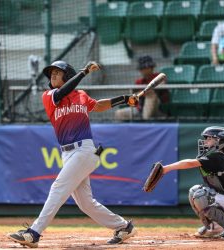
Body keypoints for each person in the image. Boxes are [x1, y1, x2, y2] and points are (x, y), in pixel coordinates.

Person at [8, 61, 137, 248]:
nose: (52, 75)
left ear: (67, 76)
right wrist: (84, 72)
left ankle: (34, 233)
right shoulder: (49, 96)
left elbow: (98, 106)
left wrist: (124, 99)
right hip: (67, 153)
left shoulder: (82, 95)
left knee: (58, 188)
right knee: (85, 203)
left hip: (84, 150)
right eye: (51, 73)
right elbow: (61, 93)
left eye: (57, 72)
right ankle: (124, 227)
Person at [161, 126, 224, 239]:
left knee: (201, 196)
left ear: (219, 141)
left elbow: (189, 163)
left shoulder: (219, 156)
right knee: (194, 191)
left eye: (209, 138)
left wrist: (166, 168)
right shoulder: (217, 156)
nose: (205, 141)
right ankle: (214, 227)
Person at [114, 56, 167, 121]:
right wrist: (142, 93)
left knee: (150, 94)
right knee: (119, 113)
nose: (142, 70)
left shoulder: (158, 77)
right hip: (140, 108)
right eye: (142, 68)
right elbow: (134, 96)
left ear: (151, 68)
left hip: (158, 108)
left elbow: (161, 85)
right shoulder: (139, 81)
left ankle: (145, 122)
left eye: (145, 68)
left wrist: (144, 92)